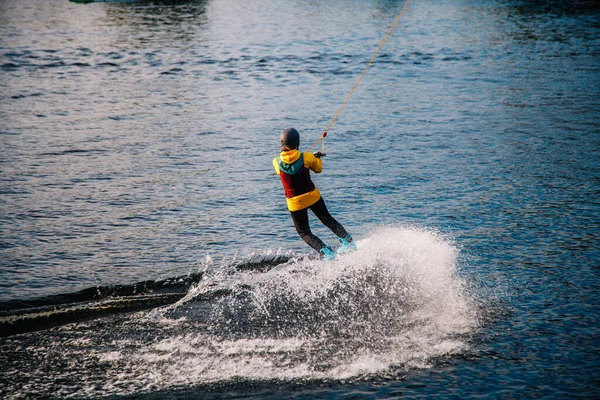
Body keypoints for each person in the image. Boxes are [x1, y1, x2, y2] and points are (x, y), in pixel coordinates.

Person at [273, 128, 357, 260]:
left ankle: (326, 252)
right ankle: (348, 241)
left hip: (295, 202)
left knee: (304, 232)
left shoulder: (276, 162)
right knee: (326, 219)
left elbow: (288, 168)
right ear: (297, 143)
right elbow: (318, 169)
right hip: (312, 196)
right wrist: (316, 158)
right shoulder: (306, 157)